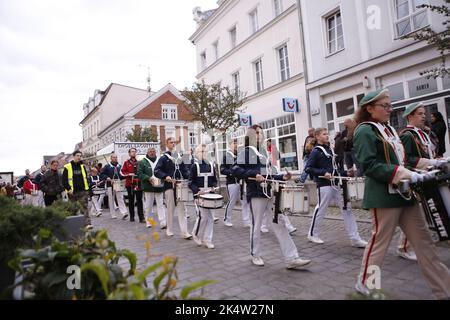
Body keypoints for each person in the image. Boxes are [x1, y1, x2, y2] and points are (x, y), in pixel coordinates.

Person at [353, 88, 450, 299]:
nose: (390, 109)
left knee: (425, 244)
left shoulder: (389, 130)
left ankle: (445, 289)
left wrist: (422, 170)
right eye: (385, 106)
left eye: (390, 105)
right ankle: (367, 284)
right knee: (379, 244)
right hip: (384, 196)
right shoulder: (365, 130)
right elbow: (368, 165)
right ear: (370, 109)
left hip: (406, 195)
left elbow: (402, 161)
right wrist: (401, 173)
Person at [232, 124, 311, 269]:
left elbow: (269, 174)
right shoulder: (246, 151)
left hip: (270, 191)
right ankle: (255, 254)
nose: (259, 135)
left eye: (261, 133)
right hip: (256, 192)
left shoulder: (263, 152)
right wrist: (253, 175)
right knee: (256, 225)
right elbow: (235, 169)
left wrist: (282, 177)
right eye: (256, 133)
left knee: (279, 222)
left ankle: (291, 258)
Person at [304, 128, 367, 248]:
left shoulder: (329, 149)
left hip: (336, 183)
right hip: (324, 185)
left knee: (347, 209)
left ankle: (355, 238)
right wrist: (324, 173)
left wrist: (345, 173)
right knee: (321, 209)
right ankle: (312, 234)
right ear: (317, 136)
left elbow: (335, 169)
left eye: (327, 133)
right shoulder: (316, 151)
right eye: (324, 134)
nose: (327, 135)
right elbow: (308, 168)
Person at [154, 137, 192, 239]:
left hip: (180, 186)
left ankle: (184, 232)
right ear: (167, 144)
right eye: (171, 142)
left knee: (182, 209)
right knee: (170, 209)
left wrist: (188, 176)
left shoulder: (179, 157)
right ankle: (169, 229)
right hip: (169, 186)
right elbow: (156, 171)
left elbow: (185, 170)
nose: (173, 144)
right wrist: (165, 176)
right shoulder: (163, 158)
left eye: (174, 142)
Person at [189, 144, 218, 249]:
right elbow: (190, 182)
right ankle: (195, 233)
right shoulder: (194, 166)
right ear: (196, 154)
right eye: (201, 151)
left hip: (210, 195)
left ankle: (207, 239)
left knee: (210, 218)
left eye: (205, 151)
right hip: (199, 196)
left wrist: (214, 186)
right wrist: (197, 190)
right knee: (203, 216)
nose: (203, 153)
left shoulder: (211, 165)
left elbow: (215, 180)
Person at [221, 139, 251, 227]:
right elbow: (222, 169)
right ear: (229, 145)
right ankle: (227, 219)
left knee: (244, 201)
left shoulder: (240, 155)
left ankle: (246, 221)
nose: (235, 145)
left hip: (241, 182)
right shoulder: (226, 155)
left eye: (236, 143)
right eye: (234, 143)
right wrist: (231, 172)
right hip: (231, 182)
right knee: (232, 201)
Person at [138, 147, 167, 229]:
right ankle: (149, 221)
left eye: (153, 151)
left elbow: (164, 170)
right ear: (147, 152)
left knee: (161, 204)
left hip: (159, 186)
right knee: (149, 205)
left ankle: (163, 222)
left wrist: (162, 177)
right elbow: (139, 173)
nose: (152, 153)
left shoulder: (159, 160)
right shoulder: (143, 162)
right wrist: (148, 178)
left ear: (155, 152)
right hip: (148, 186)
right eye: (150, 151)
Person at [62, 150, 91, 229]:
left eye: (80, 156)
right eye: (77, 155)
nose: (79, 157)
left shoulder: (82, 166)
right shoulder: (67, 167)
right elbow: (64, 180)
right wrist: (68, 188)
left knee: (84, 207)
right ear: (73, 156)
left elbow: (86, 178)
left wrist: (87, 188)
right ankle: (73, 225)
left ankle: (87, 224)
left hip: (82, 190)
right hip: (72, 192)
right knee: (72, 208)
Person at [100, 153, 128, 220]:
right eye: (113, 157)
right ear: (111, 158)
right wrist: (108, 178)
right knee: (111, 199)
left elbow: (122, 174)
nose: (115, 158)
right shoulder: (107, 166)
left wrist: (124, 178)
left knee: (120, 198)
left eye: (116, 157)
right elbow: (102, 174)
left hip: (118, 183)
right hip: (110, 184)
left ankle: (124, 212)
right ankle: (113, 214)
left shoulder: (120, 166)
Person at [121, 148, 145, 223]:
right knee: (131, 201)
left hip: (138, 183)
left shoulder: (139, 162)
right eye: (132, 152)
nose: (133, 153)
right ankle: (132, 217)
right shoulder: (126, 162)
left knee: (139, 201)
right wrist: (128, 174)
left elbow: (142, 171)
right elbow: (122, 172)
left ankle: (141, 218)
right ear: (129, 153)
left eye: (134, 152)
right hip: (130, 184)